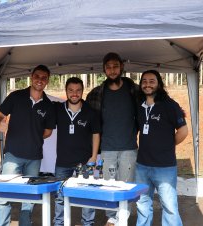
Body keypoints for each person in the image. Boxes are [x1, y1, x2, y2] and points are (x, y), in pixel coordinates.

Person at [0, 65, 56, 226]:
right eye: (37, 76)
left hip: (34, 158)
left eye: (44, 78)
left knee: (29, 198)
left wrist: (33, 135)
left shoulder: (48, 105)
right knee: (5, 194)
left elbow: (48, 131)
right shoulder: (16, 96)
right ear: (31, 77)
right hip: (13, 155)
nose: (40, 80)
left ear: (47, 81)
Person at [86, 52, 138, 226]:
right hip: (107, 149)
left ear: (122, 67)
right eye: (108, 67)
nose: (112, 70)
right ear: (104, 70)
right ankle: (112, 218)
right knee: (108, 186)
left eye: (115, 66)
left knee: (126, 187)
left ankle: (121, 219)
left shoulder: (134, 90)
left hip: (129, 148)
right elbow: (91, 124)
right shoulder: (96, 94)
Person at [135, 70, 188, 226]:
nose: (147, 84)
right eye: (144, 81)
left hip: (164, 167)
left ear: (159, 83)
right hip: (142, 166)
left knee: (169, 206)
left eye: (152, 81)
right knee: (142, 204)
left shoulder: (170, 105)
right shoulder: (139, 106)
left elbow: (183, 131)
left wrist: (167, 146)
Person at [53, 77, 101, 226]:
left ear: (82, 91)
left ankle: (88, 223)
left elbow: (96, 135)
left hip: (85, 162)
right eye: (71, 90)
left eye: (78, 90)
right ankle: (59, 223)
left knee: (87, 196)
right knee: (60, 196)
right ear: (66, 91)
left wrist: (93, 157)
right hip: (62, 162)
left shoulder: (91, 112)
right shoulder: (57, 109)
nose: (74, 94)